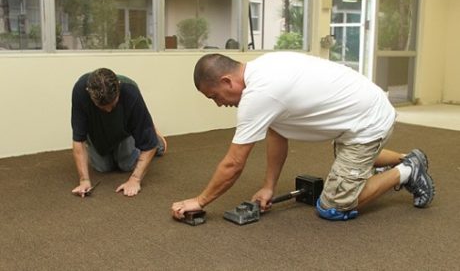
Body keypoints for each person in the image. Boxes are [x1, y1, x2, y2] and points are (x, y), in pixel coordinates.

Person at [171, 52, 435, 221]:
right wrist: (269, 186)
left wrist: (200, 200)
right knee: (347, 156)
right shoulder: (263, 66)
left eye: (215, 96)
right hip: (361, 111)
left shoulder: (259, 94)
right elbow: (277, 133)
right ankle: (406, 157)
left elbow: (234, 163)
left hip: (368, 122)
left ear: (227, 82)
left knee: (333, 206)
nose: (219, 104)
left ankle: (408, 170)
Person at [71, 68, 167, 198]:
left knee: (126, 164)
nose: (109, 110)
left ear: (119, 89)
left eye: (112, 104)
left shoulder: (130, 91)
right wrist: (84, 181)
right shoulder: (80, 91)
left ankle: (155, 137)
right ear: (89, 93)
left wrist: (135, 180)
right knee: (103, 167)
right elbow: (78, 140)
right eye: (103, 107)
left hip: (125, 126)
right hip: (97, 129)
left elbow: (149, 147)